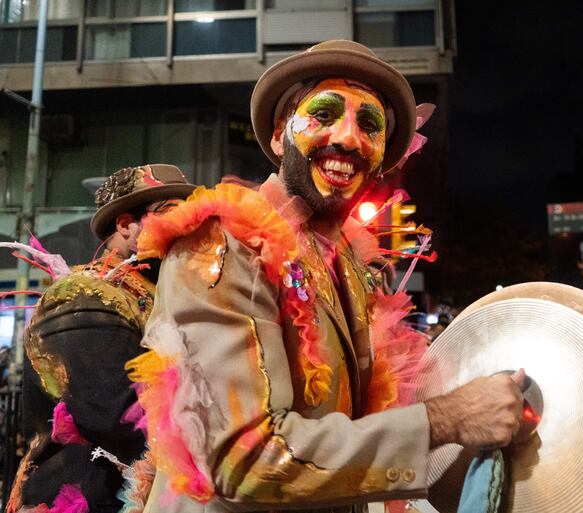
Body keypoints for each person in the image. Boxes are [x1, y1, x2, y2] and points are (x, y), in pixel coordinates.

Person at [127, 40, 526, 513]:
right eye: (324, 113)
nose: (349, 139)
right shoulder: (224, 242)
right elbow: (243, 459)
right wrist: (447, 419)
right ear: (279, 136)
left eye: (369, 125)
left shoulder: (347, 265)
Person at [7, 164, 196, 513]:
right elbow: (117, 415)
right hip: (85, 498)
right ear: (124, 224)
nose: (185, 226)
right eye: (169, 213)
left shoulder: (164, 293)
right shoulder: (84, 294)